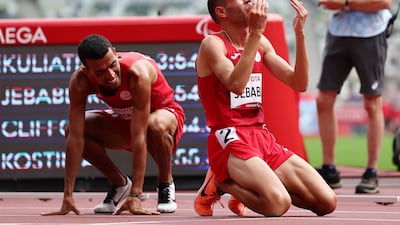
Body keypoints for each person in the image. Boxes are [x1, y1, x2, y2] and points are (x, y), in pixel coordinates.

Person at [194, 0, 337, 217]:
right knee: (278, 204)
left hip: (261, 136)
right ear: (221, 11)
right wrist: (254, 34)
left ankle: (254, 184)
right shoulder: (213, 44)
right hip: (230, 139)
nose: (250, 0)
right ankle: (222, 182)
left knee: (327, 202)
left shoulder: (260, 41)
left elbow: (299, 83)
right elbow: (236, 85)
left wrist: (300, 34)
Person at [42, 34, 185, 215]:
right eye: (100, 72)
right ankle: (119, 183)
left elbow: (139, 135)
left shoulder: (137, 73)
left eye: (112, 65)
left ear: (115, 54)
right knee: (72, 129)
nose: (110, 75)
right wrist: (68, 195)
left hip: (163, 117)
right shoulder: (80, 81)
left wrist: (136, 196)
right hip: (124, 120)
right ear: (87, 70)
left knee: (153, 126)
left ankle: (165, 183)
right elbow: (75, 138)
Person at [316, 0, 393, 194]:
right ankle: (329, 169)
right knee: (323, 100)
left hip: (372, 33)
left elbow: (383, 3)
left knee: (372, 103)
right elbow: (327, 3)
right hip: (338, 31)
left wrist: (346, 3)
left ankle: (371, 171)